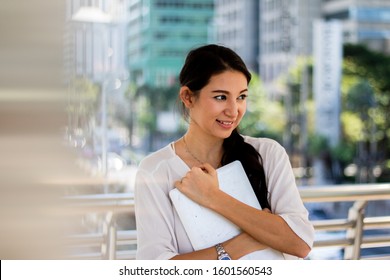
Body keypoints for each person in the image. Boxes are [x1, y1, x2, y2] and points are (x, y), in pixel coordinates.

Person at [134, 44, 314, 260]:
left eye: (241, 97)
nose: (233, 110)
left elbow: (300, 242)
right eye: (220, 97)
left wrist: (213, 197)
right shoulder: (155, 171)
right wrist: (242, 244)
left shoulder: (268, 154)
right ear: (188, 97)